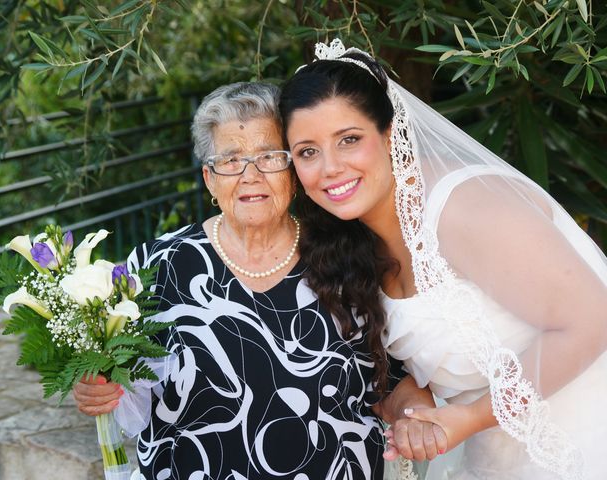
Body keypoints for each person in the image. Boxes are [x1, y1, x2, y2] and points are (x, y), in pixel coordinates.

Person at [73, 81, 444, 480]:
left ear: (292, 170)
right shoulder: (156, 266)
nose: (251, 175)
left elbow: (392, 384)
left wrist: (416, 417)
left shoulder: (346, 257)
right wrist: (98, 389)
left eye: (269, 157)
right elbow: (128, 392)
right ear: (209, 179)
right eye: (231, 161)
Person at [279, 39, 607, 480]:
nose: (330, 167)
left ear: (390, 134)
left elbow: (593, 319)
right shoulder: (355, 242)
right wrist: (415, 408)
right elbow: (427, 364)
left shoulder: (464, 209)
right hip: (495, 460)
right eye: (308, 152)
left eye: (349, 140)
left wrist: (471, 417)